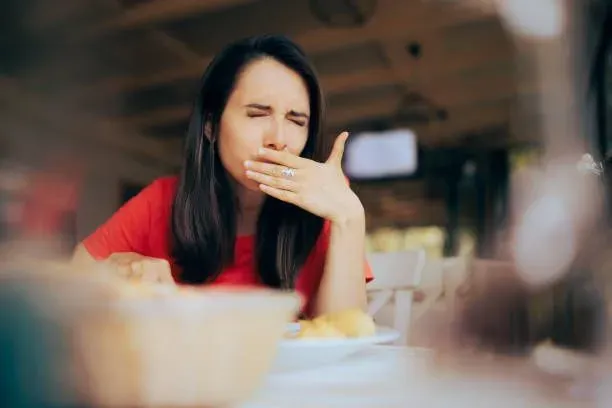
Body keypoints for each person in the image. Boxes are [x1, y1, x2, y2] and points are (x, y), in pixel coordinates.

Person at [72, 34, 372, 317]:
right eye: (257, 114)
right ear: (211, 126)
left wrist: (349, 219)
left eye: (296, 120)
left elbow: (344, 331)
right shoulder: (163, 200)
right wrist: (120, 270)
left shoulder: (328, 199)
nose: (279, 139)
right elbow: (74, 276)